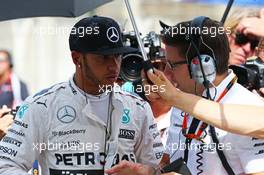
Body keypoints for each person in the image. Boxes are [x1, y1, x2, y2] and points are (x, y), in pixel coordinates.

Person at [0, 16, 164, 174]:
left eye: (117, 56)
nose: (113, 66)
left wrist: (149, 172)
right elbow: (6, 165)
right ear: (76, 58)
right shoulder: (41, 106)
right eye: (103, 58)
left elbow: (158, 167)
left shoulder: (138, 108)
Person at [107, 17, 264, 175]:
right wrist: (148, 172)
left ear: (202, 65)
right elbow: (169, 162)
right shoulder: (182, 101)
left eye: (172, 65)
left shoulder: (249, 109)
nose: (167, 73)